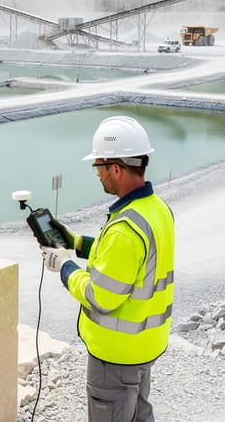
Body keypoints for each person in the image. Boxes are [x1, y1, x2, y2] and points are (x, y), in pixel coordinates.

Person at [40, 115, 175, 422]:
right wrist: (75, 243)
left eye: (98, 168)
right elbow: (128, 262)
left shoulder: (125, 229)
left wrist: (64, 266)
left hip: (116, 357)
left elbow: (101, 296)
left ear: (116, 168)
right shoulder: (156, 210)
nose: (98, 175)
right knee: (139, 414)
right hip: (144, 346)